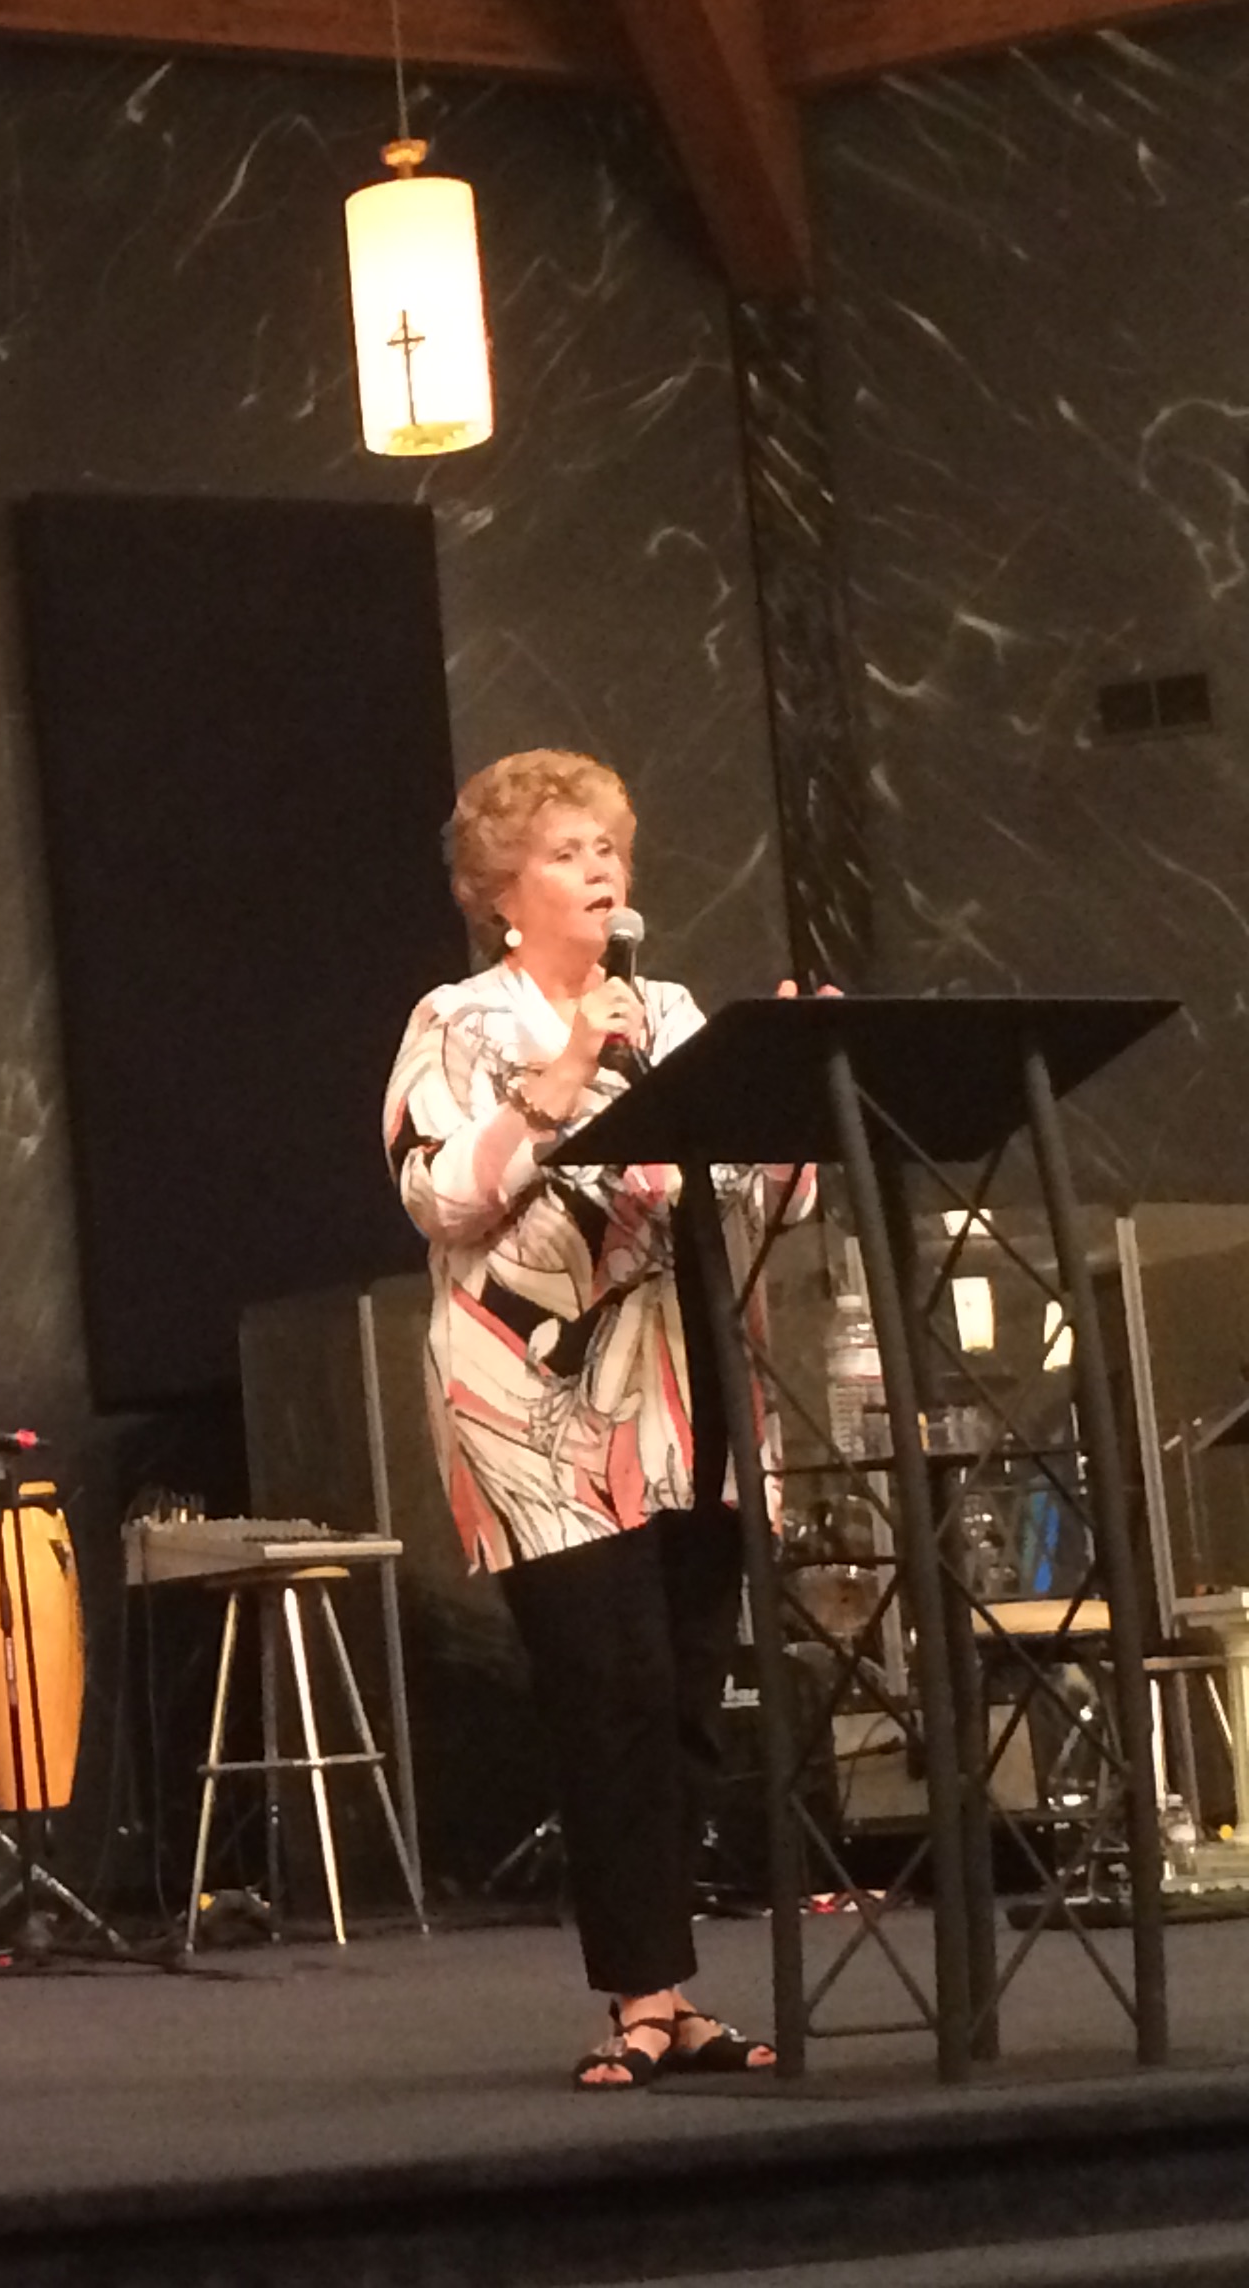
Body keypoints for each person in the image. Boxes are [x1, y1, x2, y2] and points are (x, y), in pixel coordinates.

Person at [382, 748, 805, 2091]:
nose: (598, 870)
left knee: (682, 1700)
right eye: (565, 852)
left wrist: (796, 1091)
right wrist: (558, 1079)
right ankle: (639, 1995)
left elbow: (759, 1204)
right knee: (608, 1692)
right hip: (535, 1408)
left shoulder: (671, 1012)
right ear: (501, 892)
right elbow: (440, 1196)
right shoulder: (461, 1022)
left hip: (690, 1400)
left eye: (607, 847)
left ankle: (672, 1996)